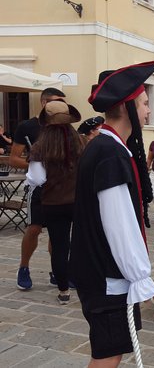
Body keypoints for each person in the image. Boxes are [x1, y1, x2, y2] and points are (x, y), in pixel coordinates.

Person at [70, 60, 154, 367]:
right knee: (108, 355)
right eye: (145, 103)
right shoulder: (109, 152)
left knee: (112, 352)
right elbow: (119, 225)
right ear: (127, 107)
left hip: (102, 273)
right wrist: (142, 279)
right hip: (107, 278)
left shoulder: (106, 148)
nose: (149, 111)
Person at [26, 100, 84, 304]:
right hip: (78, 201)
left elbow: (36, 179)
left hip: (53, 203)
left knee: (60, 247)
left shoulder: (40, 147)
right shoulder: (79, 141)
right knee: (80, 243)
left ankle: (63, 290)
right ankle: (82, 280)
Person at [11, 87, 65, 290]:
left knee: (57, 232)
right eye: (57, 101)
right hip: (39, 186)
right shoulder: (27, 126)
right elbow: (14, 159)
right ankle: (23, 267)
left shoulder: (62, 126)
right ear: (44, 103)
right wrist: (36, 164)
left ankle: (57, 270)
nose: (62, 106)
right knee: (34, 228)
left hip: (60, 185)